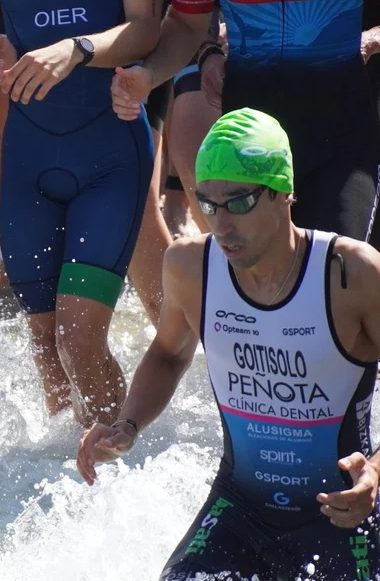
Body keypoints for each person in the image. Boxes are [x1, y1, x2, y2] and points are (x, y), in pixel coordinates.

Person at [78, 109, 380, 580]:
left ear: (283, 192)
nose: (220, 223)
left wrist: (376, 472)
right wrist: (128, 424)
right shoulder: (190, 267)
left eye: (239, 202)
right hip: (240, 509)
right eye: (207, 202)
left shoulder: (351, 274)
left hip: (343, 511)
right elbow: (168, 353)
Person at [0, 0, 170, 423]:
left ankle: (117, 450)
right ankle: (71, 468)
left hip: (110, 151)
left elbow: (147, 28)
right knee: (47, 348)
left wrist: (77, 49)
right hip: (30, 159)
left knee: (79, 339)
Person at [110, 0, 380, 250]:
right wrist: (153, 74)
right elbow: (186, 22)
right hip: (248, 141)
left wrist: (370, 38)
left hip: (342, 138)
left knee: (337, 268)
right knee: (260, 277)